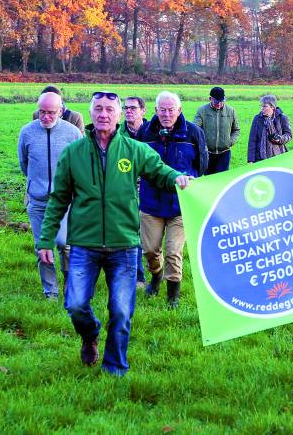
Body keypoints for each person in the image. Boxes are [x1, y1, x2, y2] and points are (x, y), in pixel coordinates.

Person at [37, 90, 192, 376]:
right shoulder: (74, 153)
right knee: (75, 305)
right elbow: (59, 198)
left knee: (121, 313)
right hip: (85, 243)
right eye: (98, 108)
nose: (104, 114)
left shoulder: (133, 150)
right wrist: (46, 237)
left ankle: (114, 368)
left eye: (110, 109)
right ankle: (90, 334)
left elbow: (160, 171)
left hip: (123, 245)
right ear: (91, 113)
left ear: (119, 115)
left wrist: (178, 178)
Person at [137, 91, 208, 307]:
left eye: (171, 110)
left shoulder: (194, 133)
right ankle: (156, 275)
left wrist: (191, 181)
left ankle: (172, 298)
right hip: (151, 203)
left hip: (180, 205)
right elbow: (138, 161)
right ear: (155, 110)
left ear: (179, 110)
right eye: (162, 110)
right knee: (150, 251)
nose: (167, 114)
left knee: (173, 252)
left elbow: (202, 165)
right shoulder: (145, 132)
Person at [18, 92, 82, 300]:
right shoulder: (26, 133)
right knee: (42, 248)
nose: (46, 117)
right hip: (37, 201)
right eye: (42, 112)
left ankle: (69, 286)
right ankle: (50, 292)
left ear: (61, 111)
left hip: (64, 201)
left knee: (65, 243)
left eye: (51, 113)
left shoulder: (73, 134)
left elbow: (81, 165)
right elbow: (24, 164)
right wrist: (36, 185)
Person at [119, 96, 149, 288]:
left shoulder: (153, 132)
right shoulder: (117, 134)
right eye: (126, 108)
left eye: (133, 108)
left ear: (143, 111)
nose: (129, 111)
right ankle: (137, 276)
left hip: (150, 190)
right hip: (126, 191)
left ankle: (156, 268)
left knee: (150, 240)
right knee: (131, 233)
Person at [193, 86, 240, 174]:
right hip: (207, 153)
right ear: (210, 98)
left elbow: (236, 130)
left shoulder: (231, 111)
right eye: (216, 101)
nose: (219, 103)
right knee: (209, 181)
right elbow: (195, 129)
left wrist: (229, 142)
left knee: (222, 181)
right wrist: (202, 145)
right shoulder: (202, 111)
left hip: (224, 154)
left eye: (221, 101)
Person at [247, 94, 292, 163]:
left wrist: (279, 138)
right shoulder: (257, 118)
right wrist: (251, 160)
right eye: (261, 106)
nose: (262, 108)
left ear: (272, 107)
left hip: (279, 156)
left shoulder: (282, 118)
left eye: (265, 106)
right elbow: (252, 140)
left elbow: (289, 135)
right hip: (260, 158)